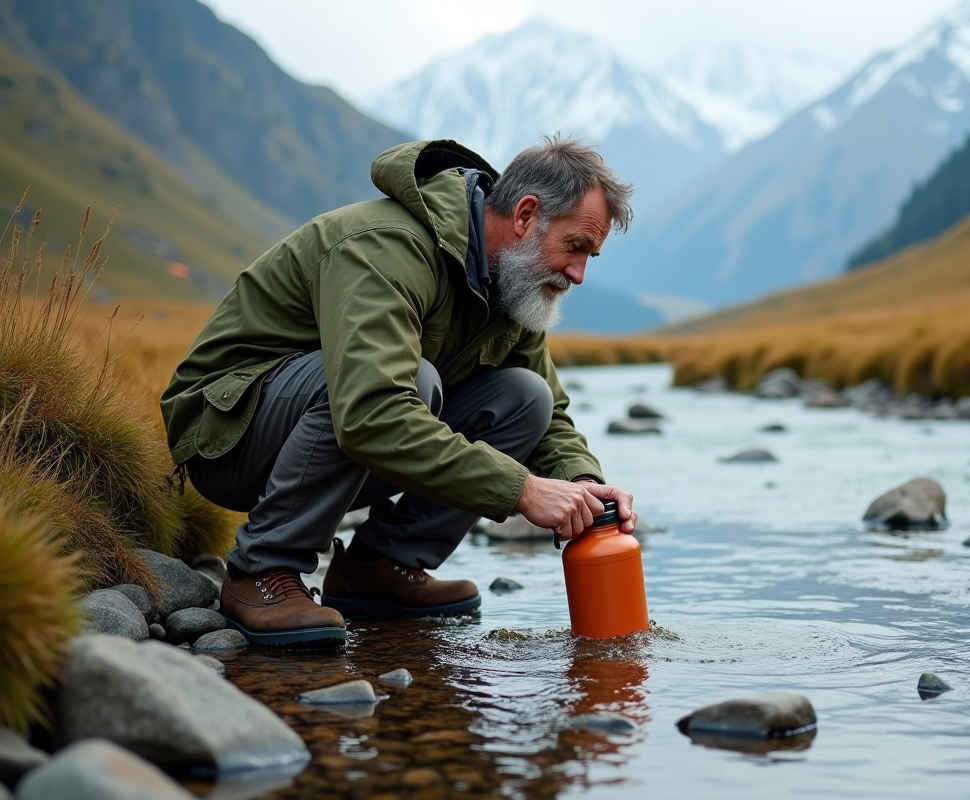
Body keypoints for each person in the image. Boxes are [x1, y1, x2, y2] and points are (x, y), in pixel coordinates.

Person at [160, 136, 637, 646]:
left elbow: (550, 410)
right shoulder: (387, 247)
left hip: (327, 431)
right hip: (229, 432)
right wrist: (523, 489)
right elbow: (372, 412)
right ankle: (262, 569)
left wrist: (583, 484)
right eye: (576, 246)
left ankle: (379, 566)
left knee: (525, 397)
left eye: (591, 254)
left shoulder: (512, 278)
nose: (579, 274)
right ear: (525, 215)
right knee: (413, 381)